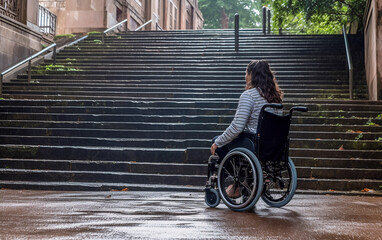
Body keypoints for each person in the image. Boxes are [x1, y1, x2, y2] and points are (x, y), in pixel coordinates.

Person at [210, 60, 283, 160]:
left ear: (251, 75)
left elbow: (237, 127)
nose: (245, 76)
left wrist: (217, 142)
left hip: (253, 145)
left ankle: (233, 173)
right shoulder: (276, 99)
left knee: (217, 141)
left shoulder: (249, 96)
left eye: (246, 73)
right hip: (273, 145)